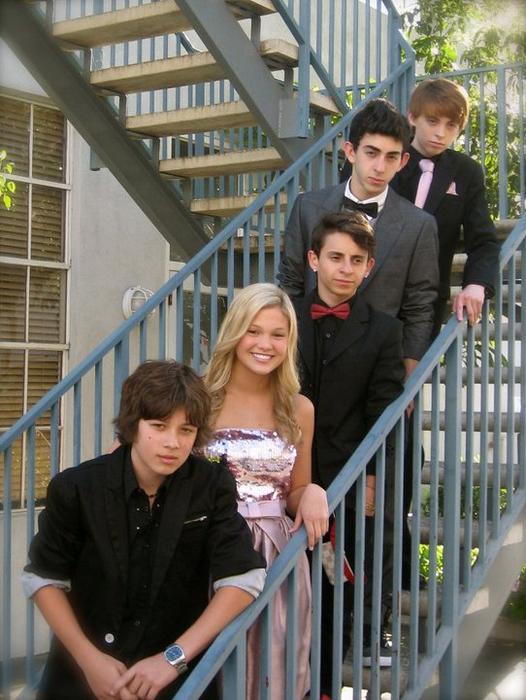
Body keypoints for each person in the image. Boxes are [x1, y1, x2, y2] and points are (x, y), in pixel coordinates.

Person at [22, 360, 266, 700]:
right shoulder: (76, 487)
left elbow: (243, 579)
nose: (172, 442)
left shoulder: (211, 485)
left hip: (176, 683)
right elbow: (44, 578)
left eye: (186, 430)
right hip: (80, 678)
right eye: (159, 426)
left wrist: (173, 659)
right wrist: (88, 660)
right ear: (132, 424)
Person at [292, 212, 406, 694]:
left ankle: (320, 688)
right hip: (283, 480)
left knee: (333, 596)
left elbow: (386, 414)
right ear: (314, 259)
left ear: (369, 267)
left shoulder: (384, 331)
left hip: (346, 485)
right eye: (335, 257)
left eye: (356, 260)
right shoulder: (283, 317)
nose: (345, 268)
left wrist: (373, 478)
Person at [202, 282, 329, 700]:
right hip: (207, 548)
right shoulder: (199, 398)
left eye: (278, 334)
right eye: (253, 331)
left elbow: (295, 489)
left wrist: (313, 492)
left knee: (273, 668)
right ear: (234, 333)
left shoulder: (299, 408)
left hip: (275, 554)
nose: (264, 344)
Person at [278, 97, 439, 379]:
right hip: (305, 361)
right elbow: (290, 284)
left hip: (375, 370)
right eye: (371, 153)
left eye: (391, 157)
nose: (380, 167)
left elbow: (420, 306)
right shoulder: (307, 208)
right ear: (351, 151)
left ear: (403, 161)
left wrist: (409, 379)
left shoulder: (419, 225)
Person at [390, 77, 500, 334]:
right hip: (370, 294)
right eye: (432, 121)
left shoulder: (466, 172)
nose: (441, 133)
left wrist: (476, 284)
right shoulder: (385, 157)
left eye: (451, 125)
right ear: (412, 117)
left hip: (426, 304)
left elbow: (483, 240)